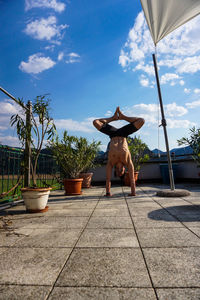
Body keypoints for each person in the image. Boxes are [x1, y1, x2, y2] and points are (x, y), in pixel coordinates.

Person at [93, 107, 145, 196]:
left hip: (112, 134)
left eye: (118, 173)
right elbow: (132, 178)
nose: (120, 171)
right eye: (122, 172)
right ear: (125, 170)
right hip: (124, 133)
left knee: (95, 122)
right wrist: (133, 192)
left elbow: (108, 179)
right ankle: (123, 116)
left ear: (116, 171)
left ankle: (113, 118)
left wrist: (108, 192)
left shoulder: (111, 162)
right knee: (141, 121)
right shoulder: (127, 161)